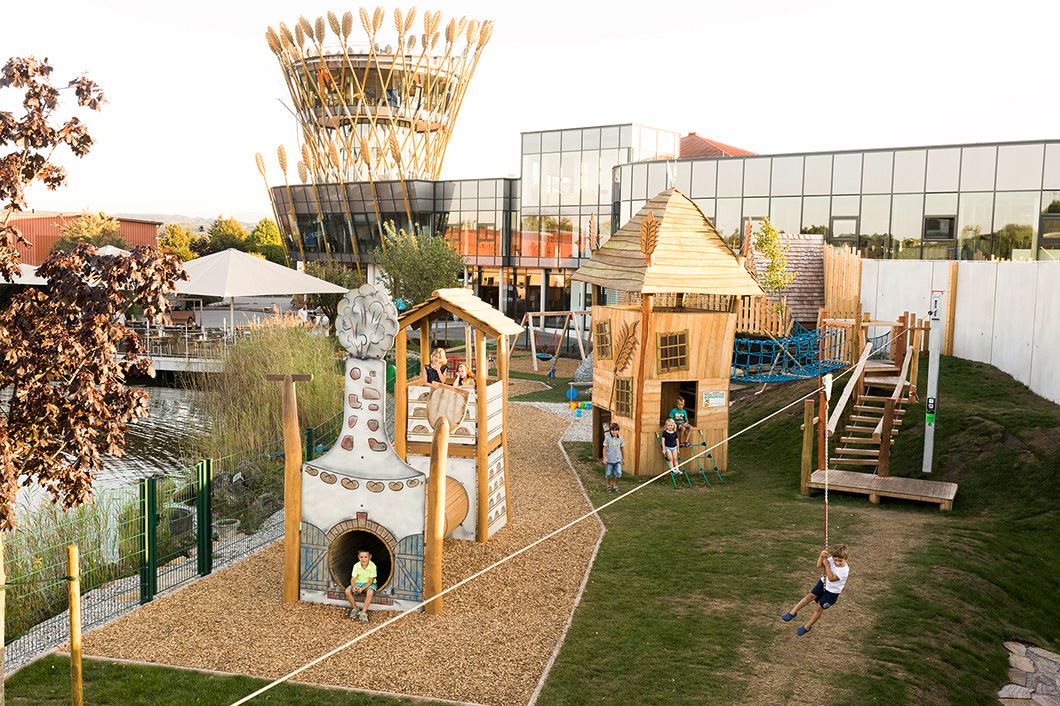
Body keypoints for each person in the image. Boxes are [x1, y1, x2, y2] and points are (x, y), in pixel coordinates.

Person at [782, 545, 850, 636]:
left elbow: (831, 578)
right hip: (823, 583)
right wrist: (821, 556)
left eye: (840, 561)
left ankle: (807, 626)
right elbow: (819, 565)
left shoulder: (844, 570)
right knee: (809, 596)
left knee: (819, 607)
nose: (837, 562)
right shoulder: (831, 559)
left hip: (832, 592)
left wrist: (827, 565)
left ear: (846, 559)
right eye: (835, 560)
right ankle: (793, 612)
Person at [345, 549, 378, 622]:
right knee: (347, 591)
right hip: (358, 582)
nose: (363, 559)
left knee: (370, 592)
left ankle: (363, 612)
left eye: (366, 557)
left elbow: (371, 580)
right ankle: (355, 608)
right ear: (358, 557)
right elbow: (353, 579)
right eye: (361, 557)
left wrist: (362, 588)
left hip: (369, 583)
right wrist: (354, 587)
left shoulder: (372, 566)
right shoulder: (356, 565)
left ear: (370, 557)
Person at [602, 422, 624, 493]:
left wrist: (623, 458)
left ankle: (616, 486)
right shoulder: (607, 439)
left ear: (618, 430)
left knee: (619, 474)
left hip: (617, 460)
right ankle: (608, 485)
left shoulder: (620, 439)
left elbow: (622, 449)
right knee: (608, 474)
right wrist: (604, 458)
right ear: (610, 430)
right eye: (612, 430)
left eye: (616, 430)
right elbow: (604, 448)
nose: (614, 431)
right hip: (609, 460)